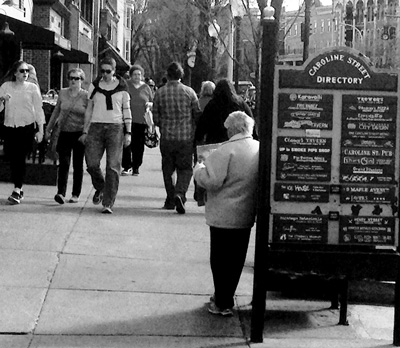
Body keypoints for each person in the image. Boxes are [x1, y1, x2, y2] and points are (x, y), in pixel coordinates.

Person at [193, 111, 259, 316]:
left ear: (231, 129)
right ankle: (226, 295)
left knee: (220, 259)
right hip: (245, 213)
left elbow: (212, 181)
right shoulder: (258, 149)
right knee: (236, 259)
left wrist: (198, 169)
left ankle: (222, 301)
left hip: (222, 215)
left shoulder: (225, 150)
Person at [81, 57, 132, 214]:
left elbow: (126, 110)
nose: (104, 74)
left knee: (112, 166)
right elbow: (89, 108)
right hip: (96, 127)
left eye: (108, 71)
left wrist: (128, 132)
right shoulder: (94, 86)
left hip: (115, 127)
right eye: (102, 71)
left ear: (114, 71)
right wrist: (85, 130)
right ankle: (101, 187)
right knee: (92, 163)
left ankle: (108, 202)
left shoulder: (122, 87)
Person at [153, 61, 201, 214]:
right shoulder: (190, 92)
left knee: (167, 169)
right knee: (185, 169)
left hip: (167, 137)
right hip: (185, 138)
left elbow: (155, 117)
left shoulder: (160, 93)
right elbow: (197, 114)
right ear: (181, 75)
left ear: (167, 75)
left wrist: (163, 124)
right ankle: (180, 193)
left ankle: (170, 198)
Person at [0, 60, 45, 204]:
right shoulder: (6, 86)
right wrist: (2, 99)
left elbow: (38, 109)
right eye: (22, 71)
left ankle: (17, 189)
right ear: (14, 73)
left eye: (27, 71)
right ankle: (18, 187)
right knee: (11, 157)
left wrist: (41, 130)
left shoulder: (32, 88)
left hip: (26, 127)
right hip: (9, 127)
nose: (25, 74)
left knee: (19, 157)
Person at [45, 68, 88, 204]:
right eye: (71, 78)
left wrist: (87, 132)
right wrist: (48, 129)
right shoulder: (63, 93)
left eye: (77, 78)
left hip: (79, 133)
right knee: (64, 162)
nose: (73, 81)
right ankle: (61, 192)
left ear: (82, 80)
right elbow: (56, 111)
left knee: (77, 164)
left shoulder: (86, 96)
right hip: (64, 131)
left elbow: (89, 115)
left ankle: (75, 193)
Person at [195, 78, 254, 145]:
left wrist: (198, 139)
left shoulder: (212, 105)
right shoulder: (240, 103)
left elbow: (202, 124)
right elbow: (250, 120)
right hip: (236, 141)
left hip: (215, 142)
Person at [121, 64, 153, 176]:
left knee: (138, 146)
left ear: (142, 76)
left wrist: (150, 104)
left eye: (139, 74)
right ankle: (126, 166)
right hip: (127, 119)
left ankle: (136, 166)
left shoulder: (146, 88)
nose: (137, 76)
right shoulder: (126, 85)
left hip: (141, 120)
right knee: (126, 144)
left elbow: (151, 101)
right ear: (130, 75)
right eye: (134, 74)